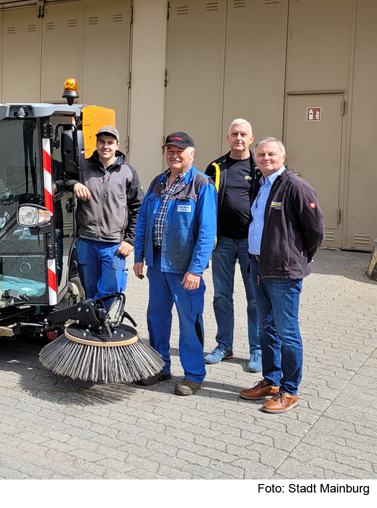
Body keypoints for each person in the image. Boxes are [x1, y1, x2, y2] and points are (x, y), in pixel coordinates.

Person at [240, 138, 324, 413]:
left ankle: (289, 390)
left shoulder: (296, 186)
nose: (265, 158)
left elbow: (315, 230)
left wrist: (300, 257)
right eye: (261, 154)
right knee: (266, 328)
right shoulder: (262, 184)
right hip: (258, 267)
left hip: (283, 271)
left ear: (283, 156)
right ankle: (271, 381)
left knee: (287, 332)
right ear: (255, 157)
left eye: (271, 153)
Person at [133, 132, 217, 396]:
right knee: (156, 319)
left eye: (179, 150)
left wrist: (195, 269)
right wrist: (138, 256)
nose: (174, 154)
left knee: (189, 321)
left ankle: (193, 375)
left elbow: (207, 232)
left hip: (184, 270)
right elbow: (143, 221)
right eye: (169, 150)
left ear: (191, 153)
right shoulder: (158, 182)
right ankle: (160, 367)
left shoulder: (202, 185)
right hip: (157, 265)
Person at [204, 119, 261, 372]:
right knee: (221, 296)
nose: (239, 138)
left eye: (243, 134)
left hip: (252, 246)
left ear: (251, 139)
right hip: (222, 243)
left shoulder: (260, 167)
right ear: (228, 138)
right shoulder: (216, 167)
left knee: (255, 299)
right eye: (234, 134)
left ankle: (257, 349)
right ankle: (224, 345)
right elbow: (204, 204)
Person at [66, 125, 143, 300]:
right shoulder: (82, 167)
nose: (105, 146)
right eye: (101, 142)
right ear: (96, 143)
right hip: (87, 241)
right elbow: (64, 179)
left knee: (112, 290)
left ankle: (102, 320)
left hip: (114, 245)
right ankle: (93, 323)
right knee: (89, 290)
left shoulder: (128, 172)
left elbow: (138, 208)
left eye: (110, 142)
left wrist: (130, 240)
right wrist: (75, 184)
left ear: (117, 145)